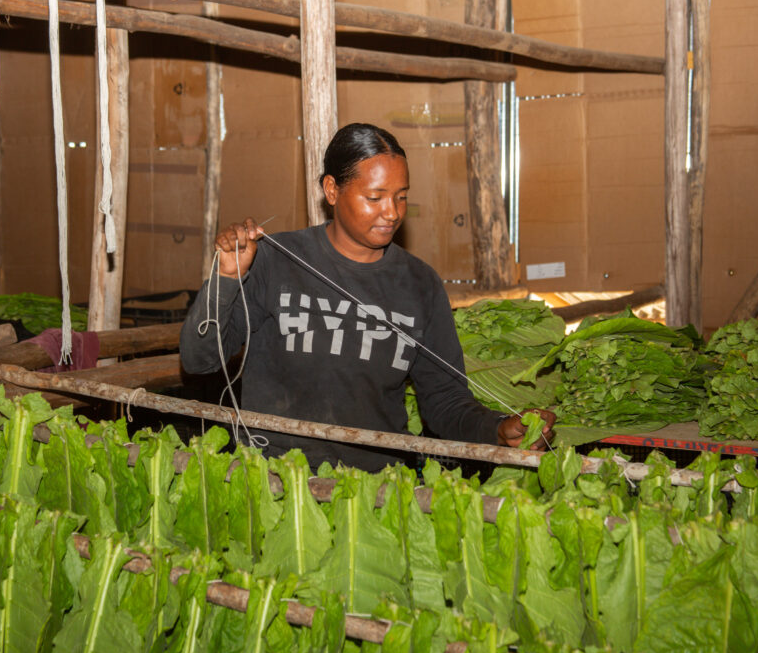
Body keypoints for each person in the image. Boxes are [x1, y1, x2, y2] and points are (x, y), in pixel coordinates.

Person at [180, 123, 554, 471]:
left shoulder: (420, 284)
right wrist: (226, 278)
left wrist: (498, 429)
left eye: (401, 197)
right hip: (276, 477)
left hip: (377, 487)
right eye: (374, 197)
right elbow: (199, 360)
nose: (391, 213)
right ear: (332, 190)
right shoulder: (274, 261)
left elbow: (445, 402)